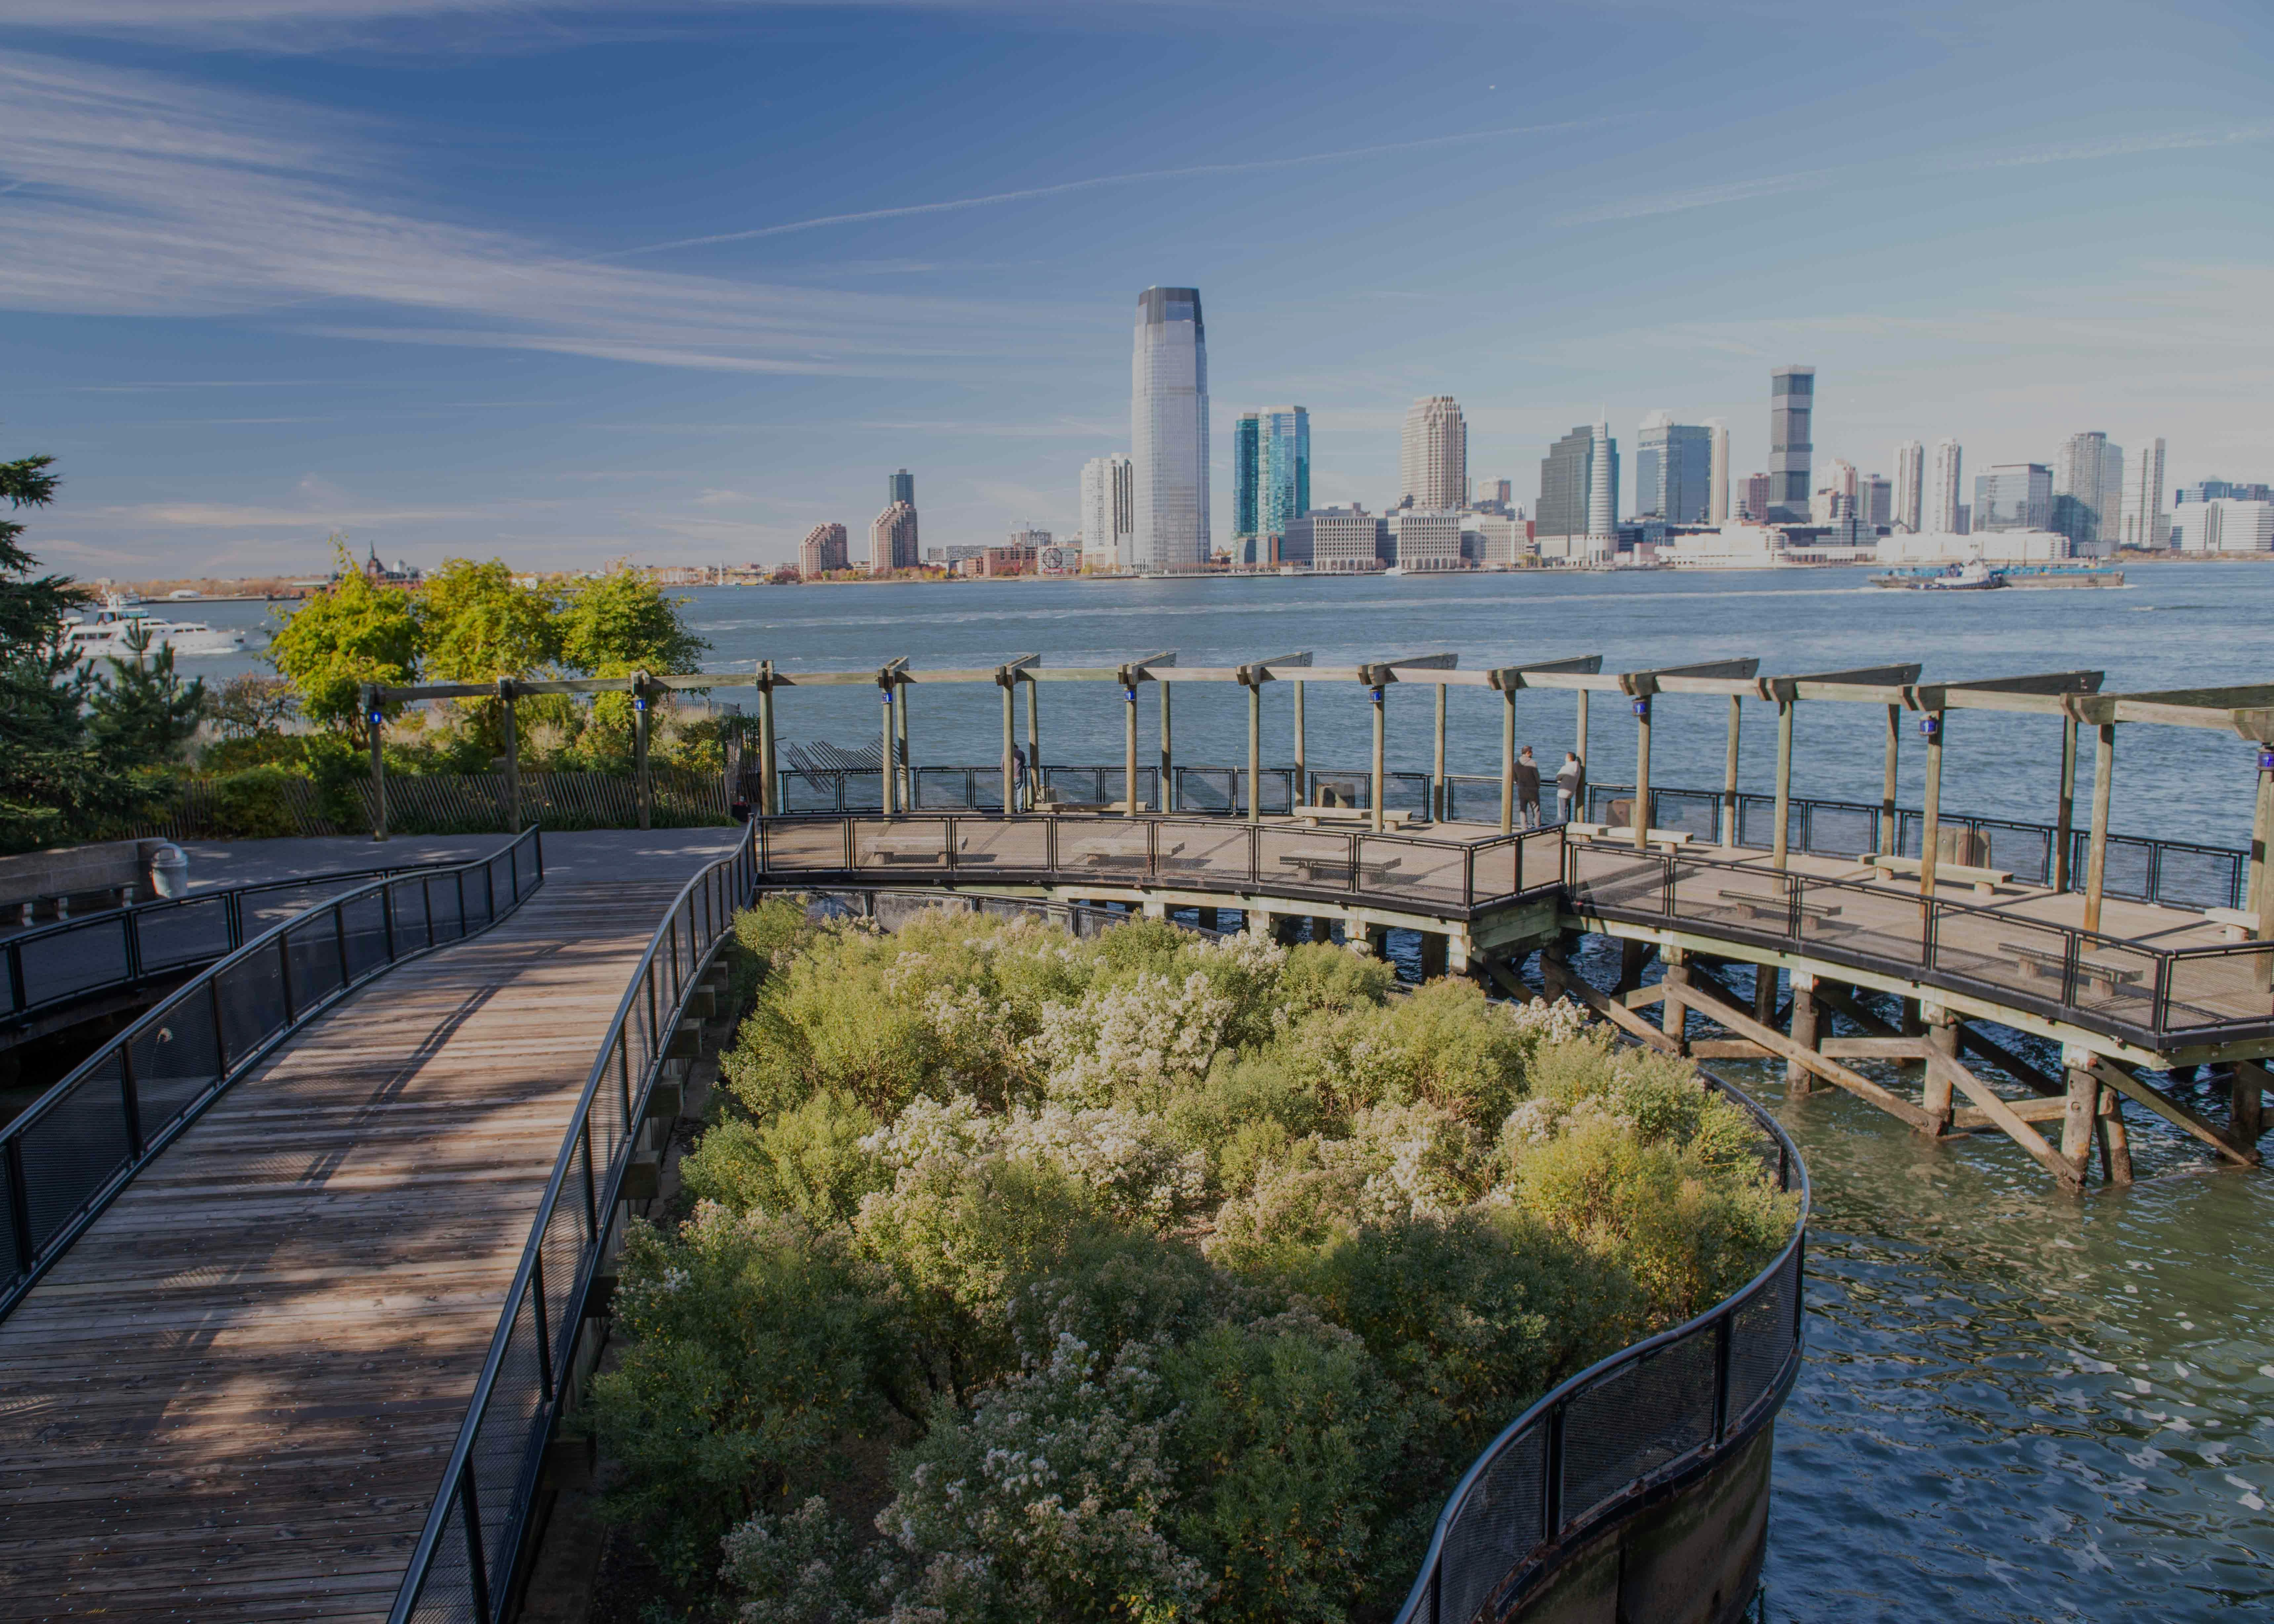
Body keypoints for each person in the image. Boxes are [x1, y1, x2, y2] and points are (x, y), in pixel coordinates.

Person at [1514, 747, 1542, 828]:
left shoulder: (1516, 764)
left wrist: (1519, 785)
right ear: (1528, 753)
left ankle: (1524, 828)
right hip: (1533, 789)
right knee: (1536, 809)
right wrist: (1538, 786)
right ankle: (1538, 827)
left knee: (1523, 810)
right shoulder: (1533, 763)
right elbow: (1537, 778)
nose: (1532, 754)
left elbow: (1515, 778)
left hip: (1522, 789)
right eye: (1532, 752)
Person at [1556, 751, 1583, 824]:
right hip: (1571, 791)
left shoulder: (1566, 768)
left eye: (1566, 757)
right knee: (1563, 810)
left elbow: (1558, 777)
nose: (1565, 759)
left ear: (1569, 758)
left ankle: (1563, 827)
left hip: (1563, 792)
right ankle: (1556, 826)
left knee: (1562, 812)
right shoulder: (1578, 768)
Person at [1010, 744, 1030, 812]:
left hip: (1009, 777)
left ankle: (1010, 809)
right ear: (1017, 747)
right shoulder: (1021, 753)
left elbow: (1002, 765)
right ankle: (1020, 809)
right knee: (1020, 792)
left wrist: (1005, 774)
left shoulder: (1006, 753)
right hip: (1018, 775)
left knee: (1010, 793)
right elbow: (1024, 762)